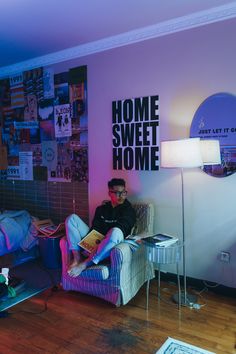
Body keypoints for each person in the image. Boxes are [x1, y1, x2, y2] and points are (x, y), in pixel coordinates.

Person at [66, 178, 136, 277]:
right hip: (97, 240)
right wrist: (88, 244)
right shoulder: (101, 209)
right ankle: (77, 258)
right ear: (109, 193)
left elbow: (122, 229)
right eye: (117, 192)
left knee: (115, 231)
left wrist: (98, 247)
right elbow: (95, 229)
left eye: (123, 192)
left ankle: (85, 264)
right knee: (71, 219)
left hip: (112, 244)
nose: (121, 196)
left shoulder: (129, 210)